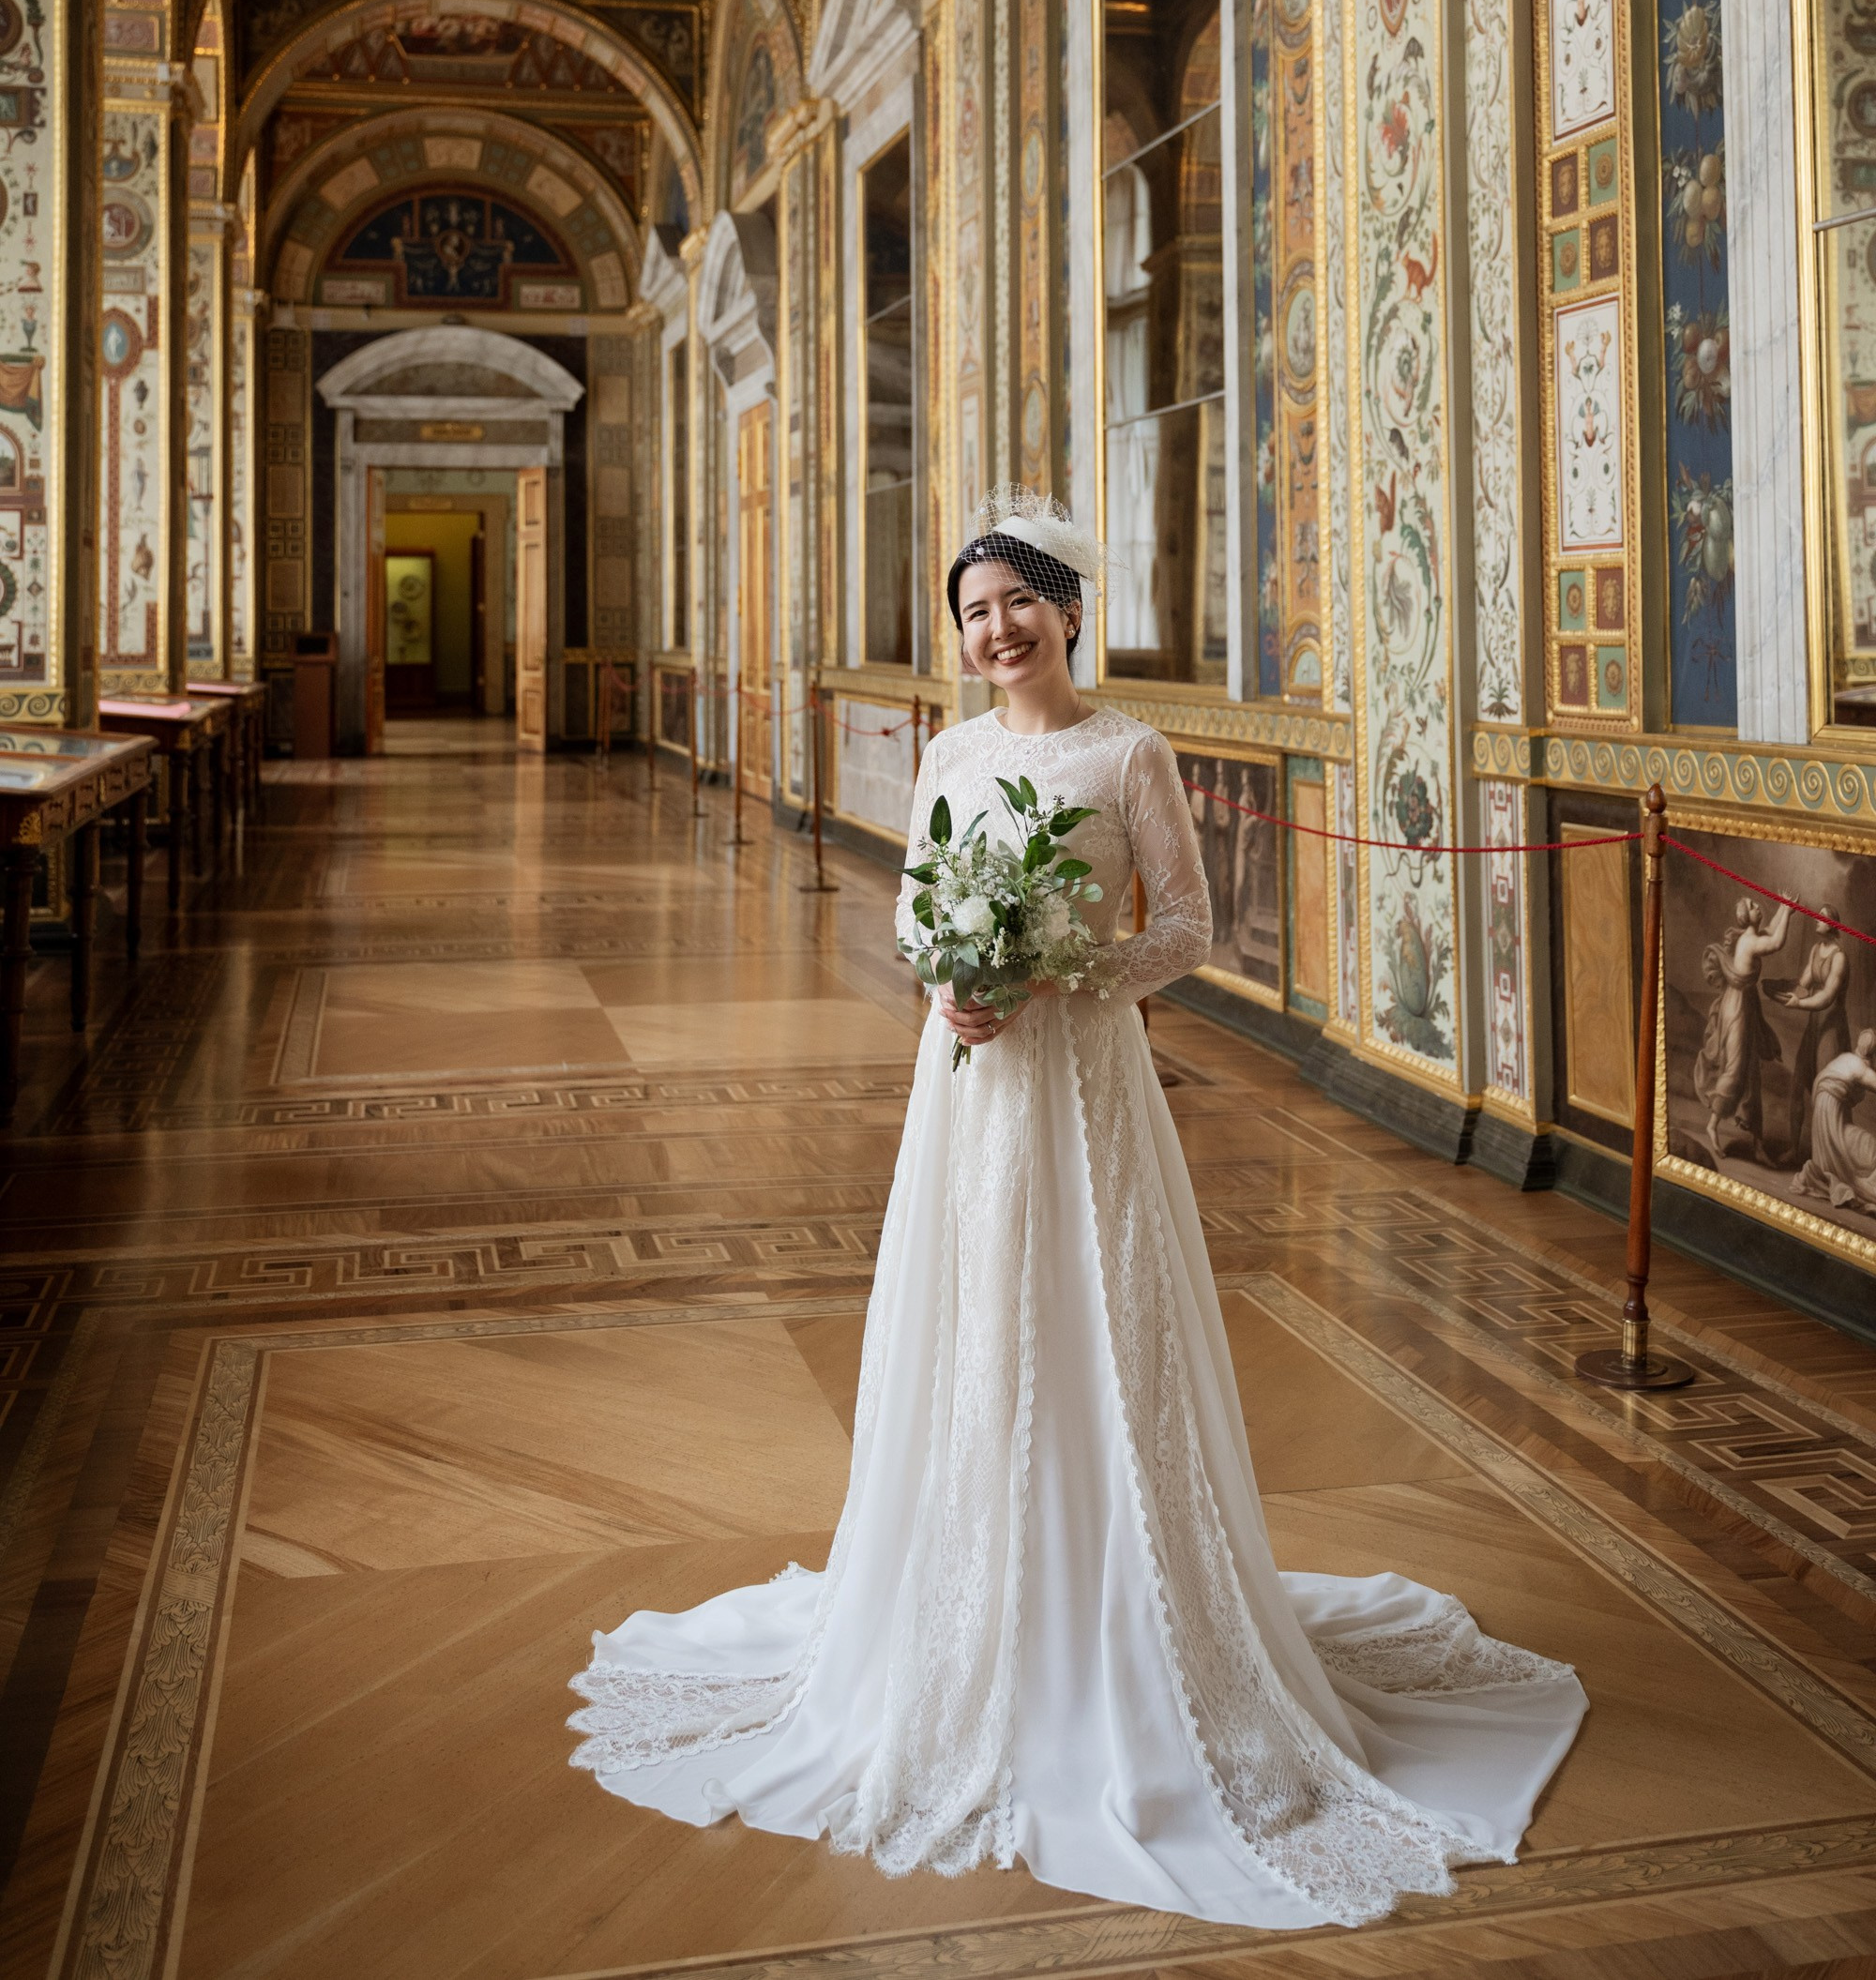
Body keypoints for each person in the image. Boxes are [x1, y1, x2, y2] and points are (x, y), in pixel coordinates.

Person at [568, 491, 1585, 1928]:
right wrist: (951, 976)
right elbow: (916, 903)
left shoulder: (1129, 753)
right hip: (967, 1088)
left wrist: (1060, 970)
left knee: (1096, 1317)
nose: (996, 630)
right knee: (973, 1316)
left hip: (1088, 1084)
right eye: (974, 612)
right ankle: (963, 1607)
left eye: (1017, 604)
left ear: (1067, 610)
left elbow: (1190, 928)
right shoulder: (949, 752)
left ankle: (1130, 1622)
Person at [1695, 897, 1791, 1163]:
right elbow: (1776, 942)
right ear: (1747, 916)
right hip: (1736, 1008)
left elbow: (1771, 931)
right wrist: (1789, 913)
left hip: (1744, 1005)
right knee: (1736, 1069)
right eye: (1752, 905)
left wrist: (1785, 906)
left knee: (1751, 1073)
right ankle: (1712, 1125)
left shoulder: (1752, 936)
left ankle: (1757, 1142)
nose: (1758, 906)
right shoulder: (1748, 942)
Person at [1782, 906, 1851, 1163]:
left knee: (1827, 1092)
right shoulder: (1815, 950)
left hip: (1831, 1029)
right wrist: (1786, 993)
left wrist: (1798, 1003)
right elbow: (1804, 984)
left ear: (1832, 925)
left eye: (1822, 917)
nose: (1816, 920)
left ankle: (1828, 1159)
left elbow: (1826, 997)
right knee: (1798, 1083)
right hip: (1814, 1026)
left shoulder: (1839, 958)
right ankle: (1794, 1149)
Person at [1793, 1027, 1876, 1214]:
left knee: (1855, 1148)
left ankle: (1833, 1171)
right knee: (1863, 1151)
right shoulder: (1861, 1068)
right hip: (1830, 1111)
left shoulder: (1846, 1058)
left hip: (1824, 1110)